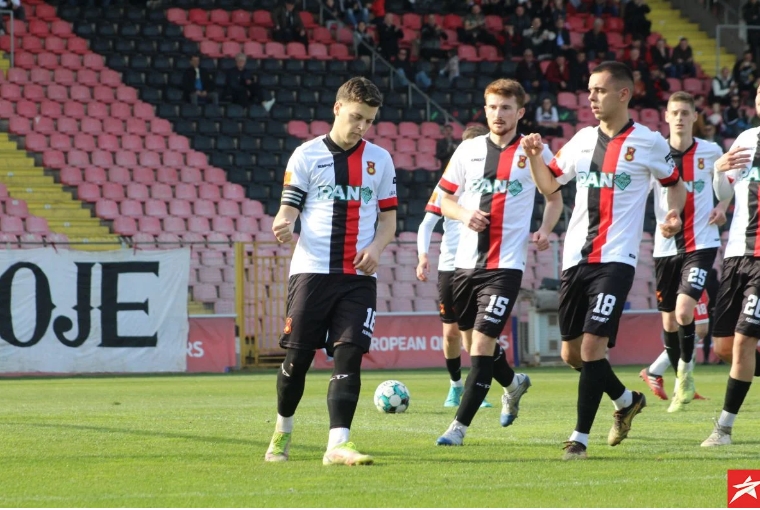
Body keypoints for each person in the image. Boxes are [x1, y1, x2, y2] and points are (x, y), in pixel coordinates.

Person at [522, 61, 686, 460]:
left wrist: (673, 214)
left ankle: (579, 438)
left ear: (623, 94)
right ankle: (627, 400)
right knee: (572, 355)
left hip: (616, 260)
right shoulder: (581, 140)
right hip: (574, 259)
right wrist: (534, 157)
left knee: (593, 347)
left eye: (599, 90)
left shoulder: (648, 142)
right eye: (590, 90)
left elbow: (675, 185)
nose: (591, 97)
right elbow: (549, 184)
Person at [264, 77, 397, 465]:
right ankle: (282, 431)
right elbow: (288, 210)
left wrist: (376, 248)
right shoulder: (305, 156)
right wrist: (283, 224)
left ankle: (338, 443)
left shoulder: (380, 160)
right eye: (356, 117)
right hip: (312, 273)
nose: (362, 127)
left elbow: (388, 221)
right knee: (297, 361)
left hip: (358, 277)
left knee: (349, 354)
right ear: (338, 109)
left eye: (369, 121)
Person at [434, 78, 563, 446]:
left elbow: (554, 196)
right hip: (464, 265)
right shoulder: (468, 150)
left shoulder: (534, 150)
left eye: (506, 107)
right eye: (492, 107)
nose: (498, 114)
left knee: (481, 346)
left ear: (519, 112)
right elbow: (444, 200)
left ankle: (457, 429)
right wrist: (464, 214)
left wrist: (544, 229)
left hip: (505, 266)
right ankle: (513, 382)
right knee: (472, 342)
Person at [638, 91, 727, 412]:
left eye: (685, 113)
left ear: (694, 117)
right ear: (666, 116)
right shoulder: (655, 153)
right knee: (670, 324)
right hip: (665, 248)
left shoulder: (711, 151)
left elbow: (725, 185)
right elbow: (639, 194)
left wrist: (722, 206)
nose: (679, 118)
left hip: (701, 243)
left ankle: (686, 376)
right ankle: (675, 380)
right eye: (674, 112)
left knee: (685, 312)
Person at [417, 124, 495, 409]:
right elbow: (426, 224)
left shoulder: (491, 186)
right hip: (451, 267)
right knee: (451, 333)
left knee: (475, 334)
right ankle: (455, 385)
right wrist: (423, 256)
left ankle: (477, 390)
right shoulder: (447, 186)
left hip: (481, 264)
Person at [700, 82, 760, 447]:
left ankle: (723, 428)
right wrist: (717, 171)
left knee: (743, 342)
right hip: (736, 253)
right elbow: (724, 193)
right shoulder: (745, 139)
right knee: (723, 347)